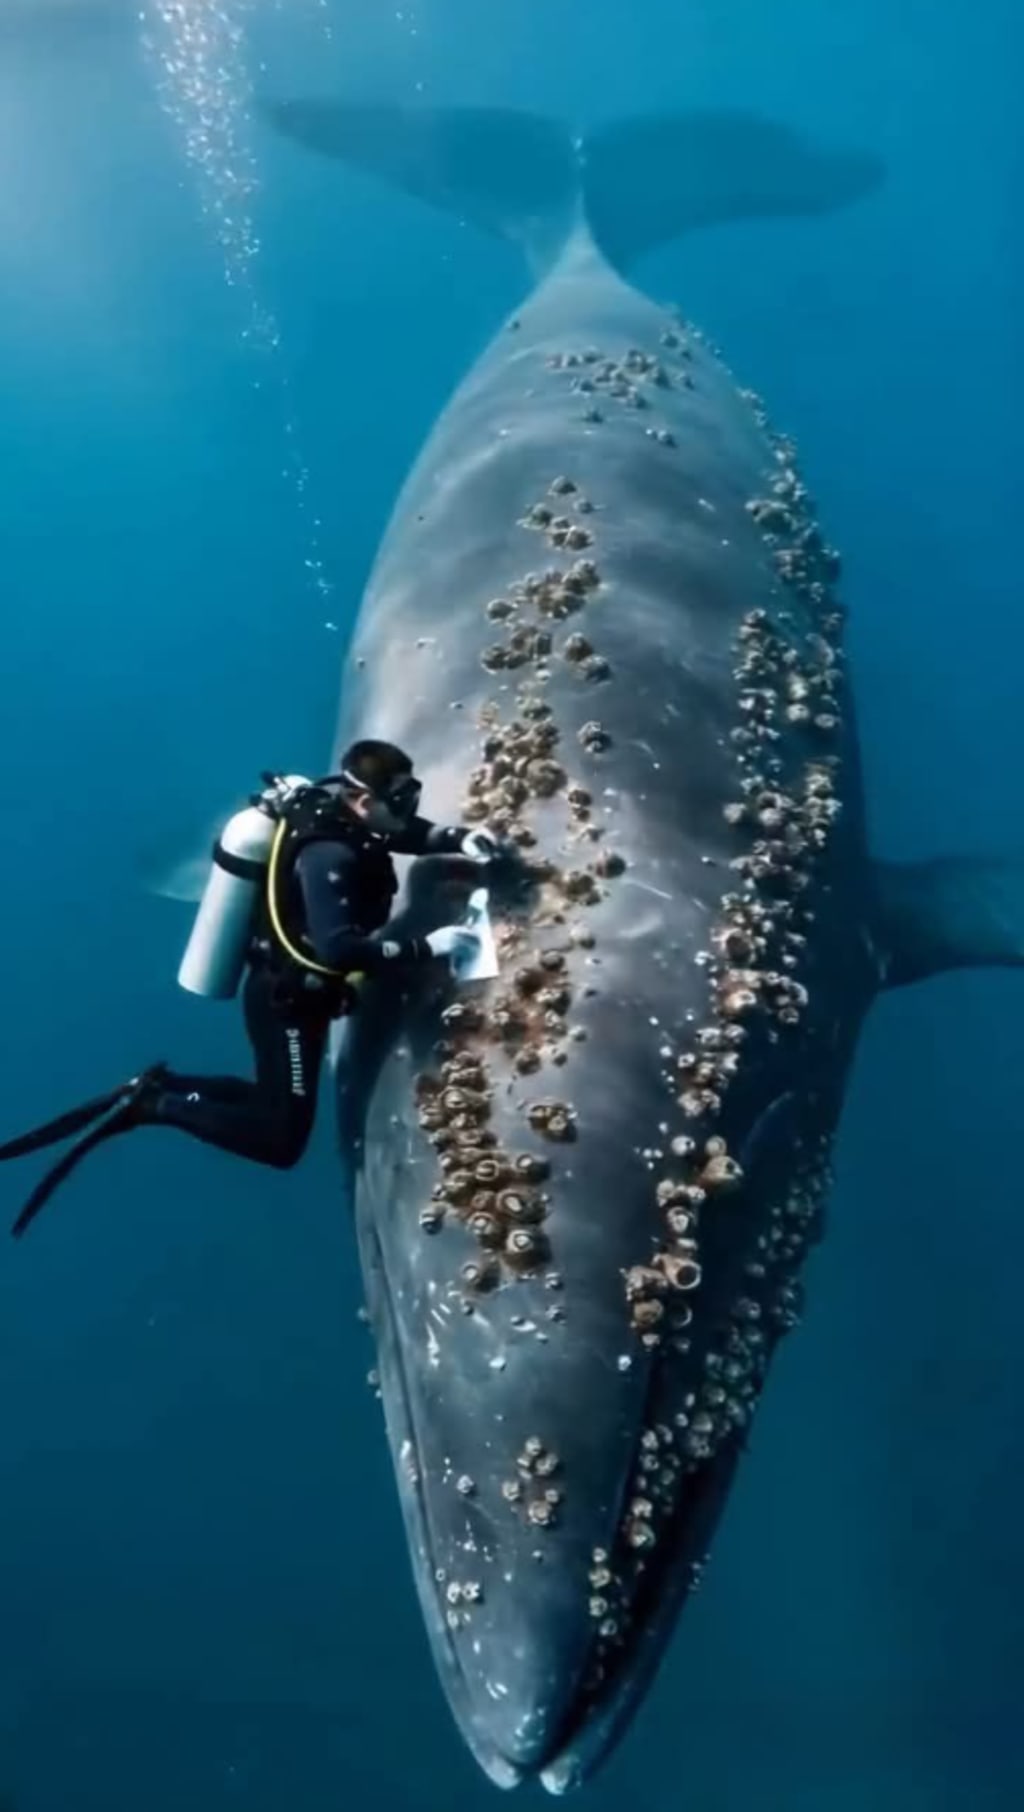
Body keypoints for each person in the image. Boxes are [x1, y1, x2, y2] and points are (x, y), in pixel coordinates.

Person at [1, 739, 496, 1237]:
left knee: (272, 1097)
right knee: (280, 1140)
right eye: (400, 800)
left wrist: (456, 837)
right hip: (289, 1005)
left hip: (292, 992)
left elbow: (397, 835)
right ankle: (156, 1106)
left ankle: (157, 1089)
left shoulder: (345, 821)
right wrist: (425, 947)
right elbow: (339, 952)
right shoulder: (330, 857)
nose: (408, 810)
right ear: (364, 802)